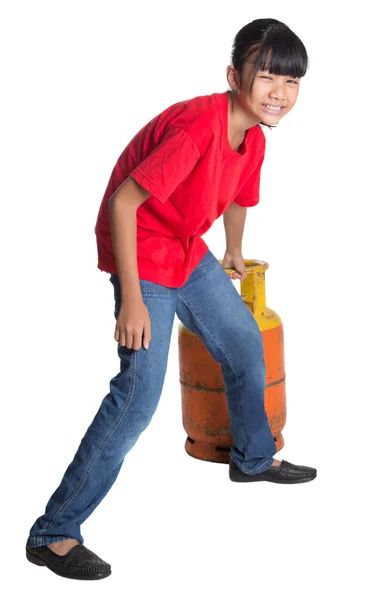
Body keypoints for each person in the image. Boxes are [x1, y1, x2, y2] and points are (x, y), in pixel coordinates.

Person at [25, 17, 317, 581]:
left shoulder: (253, 135)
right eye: (267, 77)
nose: (279, 93)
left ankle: (252, 459)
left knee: (242, 340)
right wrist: (132, 298)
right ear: (235, 76)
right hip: (140, 247)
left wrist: (232, 249)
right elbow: (124, 205)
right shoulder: (197, 126)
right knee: (138, 396)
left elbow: (238, 196)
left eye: (292, 82)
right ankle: (54, 532)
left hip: (183, 245)